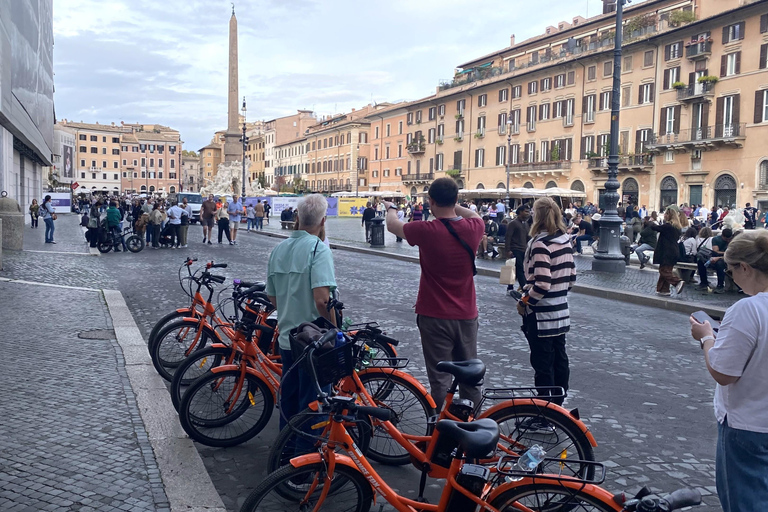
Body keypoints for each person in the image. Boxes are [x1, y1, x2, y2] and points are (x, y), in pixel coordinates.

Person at [383, 177, 484, 408]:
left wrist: (392, 207)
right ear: (456, 199)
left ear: (430, 202)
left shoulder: (427, 230)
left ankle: (440, 432)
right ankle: (473, 430)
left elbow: (392, 225)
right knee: (470, 376)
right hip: (467, 315)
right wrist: (450, 204)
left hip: (434, 315)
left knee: (440, 380)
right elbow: (473, 215)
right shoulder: (475, 227)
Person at [689, 229, 768, 512]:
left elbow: (724, 373)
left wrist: (707, 337)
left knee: (745, 503)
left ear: (745, 268)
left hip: (748, 425)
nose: (731, 276)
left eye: (730, 269)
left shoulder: (748, 309)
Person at [266, 194, 336, 429]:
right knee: (313, 407)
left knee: (290, 402)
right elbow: (322, 301)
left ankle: (284, 457)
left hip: (287, 337)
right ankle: (304, 461)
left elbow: (272, 296)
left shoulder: (278, 249)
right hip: (313, 342)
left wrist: (288, 309)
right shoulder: (319, 250)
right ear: (323, 221)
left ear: (297, 217)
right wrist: (334, 329)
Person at [516, 197, 576, 406]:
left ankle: (545, 412)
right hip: (561, 312)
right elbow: (571, 278)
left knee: (543, 364)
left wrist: (525, 301)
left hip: (542, 315)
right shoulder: (565, 240)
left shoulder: (541, 244)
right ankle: (558, 407)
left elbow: (542, 284)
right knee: (560, 359)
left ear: (537, 215)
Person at [651, 208, 684, 296]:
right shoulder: (677, 227)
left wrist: (650, 221)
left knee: (664, 271)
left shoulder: (668, 226)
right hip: (674, 250)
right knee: (667, 270)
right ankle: (663, 290)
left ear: (670, 216)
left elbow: (655, 227)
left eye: (666, 214)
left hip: (667, 251)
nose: (664, 215)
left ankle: (677, 282)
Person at [698, 228, 734, 294]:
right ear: (722, 236)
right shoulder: (716, 239)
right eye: (726, 239)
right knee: (701, 261)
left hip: (727, 260)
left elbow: (732, 254)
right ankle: (703, 283)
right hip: (718, 257)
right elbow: (716, 251)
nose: (728, 240)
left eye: (729, 239)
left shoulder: (733, 241)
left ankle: (720, 285)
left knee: (720, 263)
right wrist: (726, 253)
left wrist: (720, 256)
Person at [505, 206, 531, 293]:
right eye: (526, 211)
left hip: (524, 249)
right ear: (520, 212)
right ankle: (524, 288)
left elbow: (528, 237)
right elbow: (508, 237)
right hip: (515, 249)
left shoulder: (525, 224)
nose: (528, 213)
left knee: (515, 269)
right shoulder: (513, 223)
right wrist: (508, 250)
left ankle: (510, 287)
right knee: (519, 269)